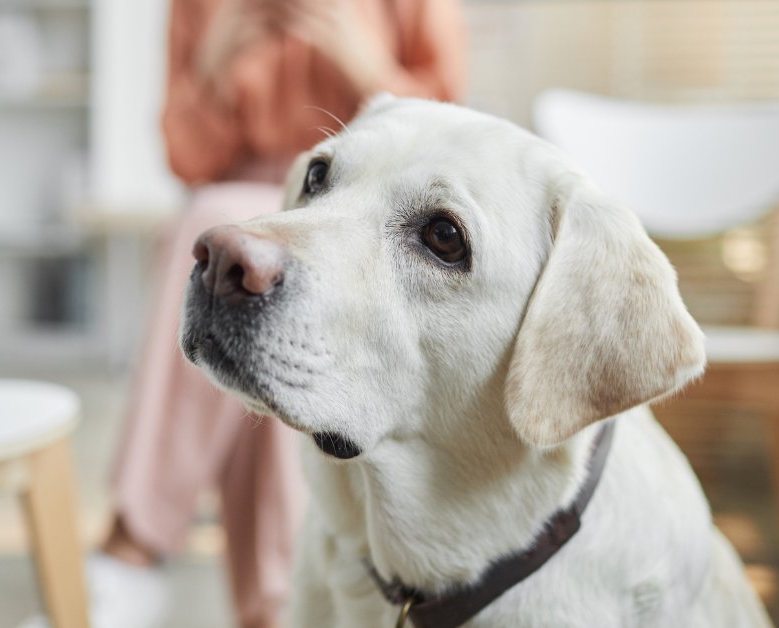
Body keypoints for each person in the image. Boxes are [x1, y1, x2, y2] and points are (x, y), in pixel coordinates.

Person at [24, 1, 463, 626]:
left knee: (223, 239)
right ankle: (271, 604)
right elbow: (187, 158)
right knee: (228, 247)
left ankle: (135, 549)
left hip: (358, 214)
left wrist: (360, 60)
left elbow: (448, 134)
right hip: (240, 191)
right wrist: (217, 56)